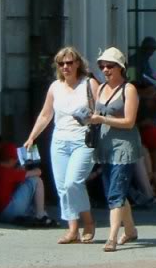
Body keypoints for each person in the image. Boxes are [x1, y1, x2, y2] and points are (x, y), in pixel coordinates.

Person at [23, 46, 99, 244]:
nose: (66, 66)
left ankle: (88, 222)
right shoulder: (55, 87)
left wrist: (93, 118)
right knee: (63, 188)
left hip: (83, 140)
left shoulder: (89, 84)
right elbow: (46, 114)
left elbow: (102, 110)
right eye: (61, 63)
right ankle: (72, 229)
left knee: (73, 182)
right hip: (59, 141)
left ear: (78, 64)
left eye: (70, 62)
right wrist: (32, 136)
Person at [90, 47, 142, 252]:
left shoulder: (128, 89)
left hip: (123, 147)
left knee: (114, 193)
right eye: (102, 66)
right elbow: (96, 114)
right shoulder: (101, 88)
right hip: (105, 147)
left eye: (109, 66)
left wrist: (101, 118)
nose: (105, 69)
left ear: (121, 67)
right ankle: (130, 230)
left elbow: (129, 121)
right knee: (117, 190)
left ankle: (111, 237)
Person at [0, 142, 56, 226]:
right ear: (11, 160)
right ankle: (41, 215)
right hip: (8, 212)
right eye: (15, 159)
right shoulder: (9, 172)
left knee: (24, 186)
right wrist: (32, 166)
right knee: (36, 180)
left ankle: (39, 213)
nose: (16, 161)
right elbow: (38, 172)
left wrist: (20, 170)